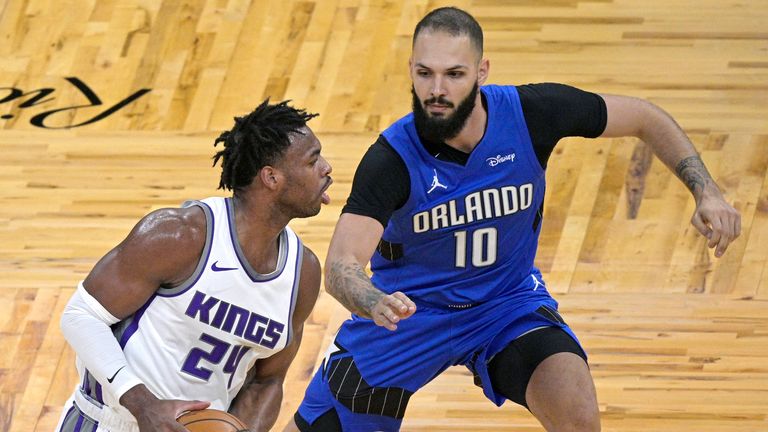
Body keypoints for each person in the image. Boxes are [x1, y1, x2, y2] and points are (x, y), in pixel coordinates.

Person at [287, 6, 741, 432]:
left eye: (454, 74)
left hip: (505, 306)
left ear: (482, 73)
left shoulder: (531, 115)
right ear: (411, 70)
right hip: (408, 317)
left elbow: (644, 117)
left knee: (578, 415)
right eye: (425, 74)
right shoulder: (391, 160)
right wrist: (371, 300)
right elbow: (342, 265)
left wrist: (707, 191)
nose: (437, 90)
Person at [56, 99, 333, 432]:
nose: (326, 168)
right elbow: (81, 317)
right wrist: (143, 405)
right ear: (271, 177)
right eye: (312, 160)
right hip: (114, 421)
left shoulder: (303, 273)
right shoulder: (180, 235)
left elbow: (267, 381)